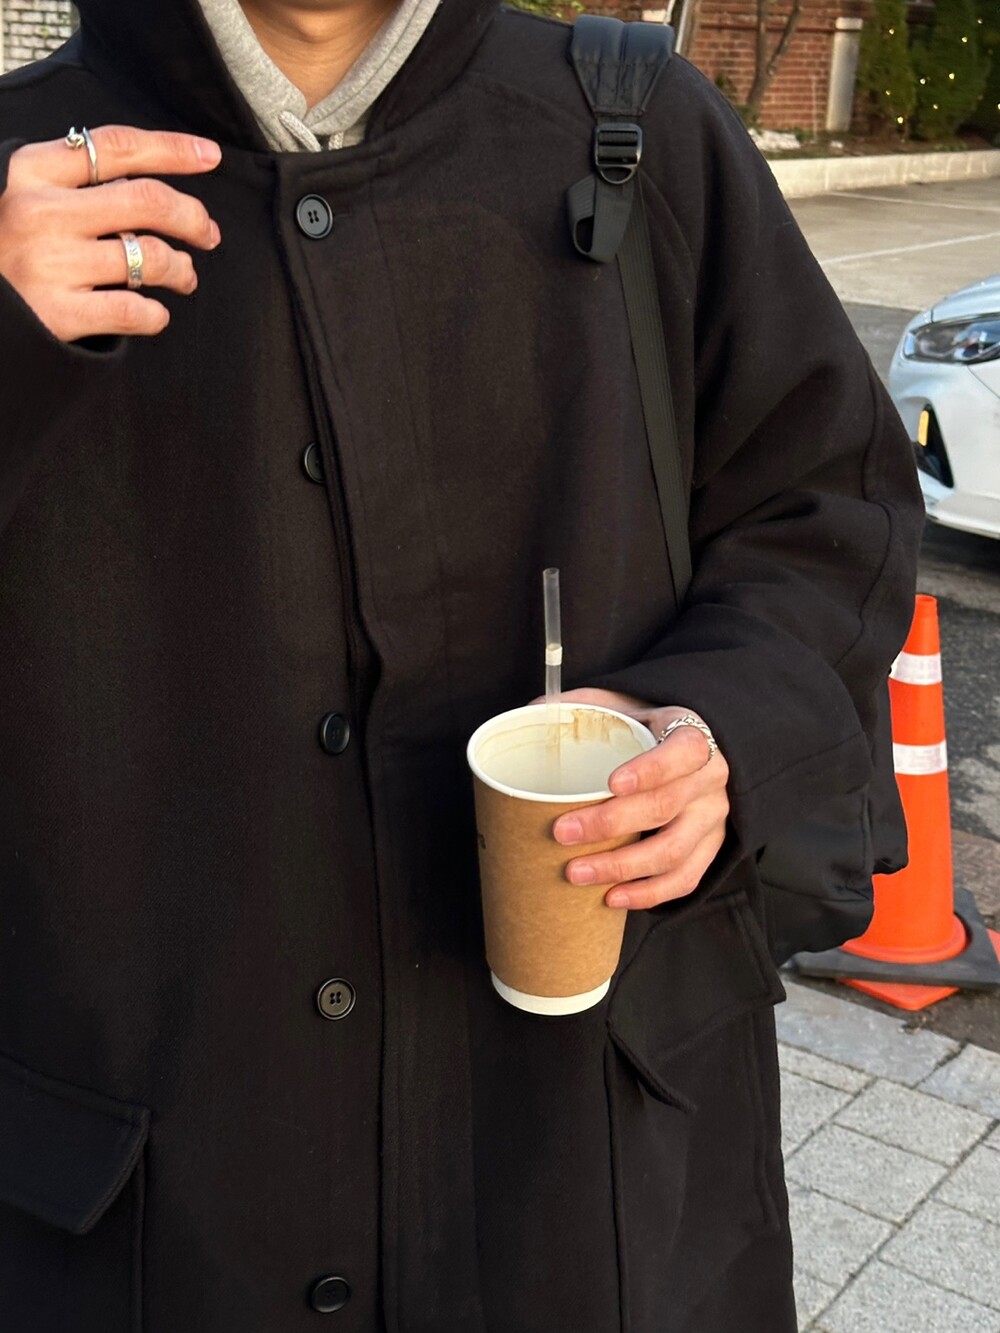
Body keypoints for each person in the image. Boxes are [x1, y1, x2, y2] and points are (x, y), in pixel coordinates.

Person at [0, 1, 923, 1330]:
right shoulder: (23, 180)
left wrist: (717, 725)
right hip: (144, 1217)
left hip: (586, 1190)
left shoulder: (636, 129)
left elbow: (827, 510)